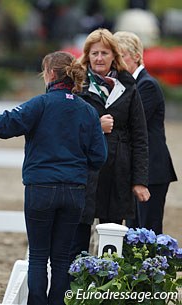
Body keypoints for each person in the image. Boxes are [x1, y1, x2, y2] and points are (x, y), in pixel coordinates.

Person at [0, 51, 108, 305]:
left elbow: (4, 125)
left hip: (41, 188)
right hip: (74, 191)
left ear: (50, 74)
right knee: (62, 258)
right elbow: (99, 157)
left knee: (39, 256)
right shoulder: (87, 111)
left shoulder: (39, 105)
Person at [70, 28, 150, 260]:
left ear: (114, 56)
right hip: (84, 170)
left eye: (104, 53)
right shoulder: (77, 85)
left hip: (118, 170)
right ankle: (74, 289)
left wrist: (140, 180)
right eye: (94, 53)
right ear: (87, 55)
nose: (99, 58)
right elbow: (67, 126)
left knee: (112, 240)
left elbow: (140, 136)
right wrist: (96, 125)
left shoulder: (129, 86)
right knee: (78, 238)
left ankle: (107, 291)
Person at [114, 31, 177, 234]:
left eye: (122, 56)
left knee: (147, 229)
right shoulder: (129, 84)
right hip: (138, 168)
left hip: (152, 169)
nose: (118, 62)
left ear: (136, 56)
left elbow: (129, 122)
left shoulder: (146, 85)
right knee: (133, 229)